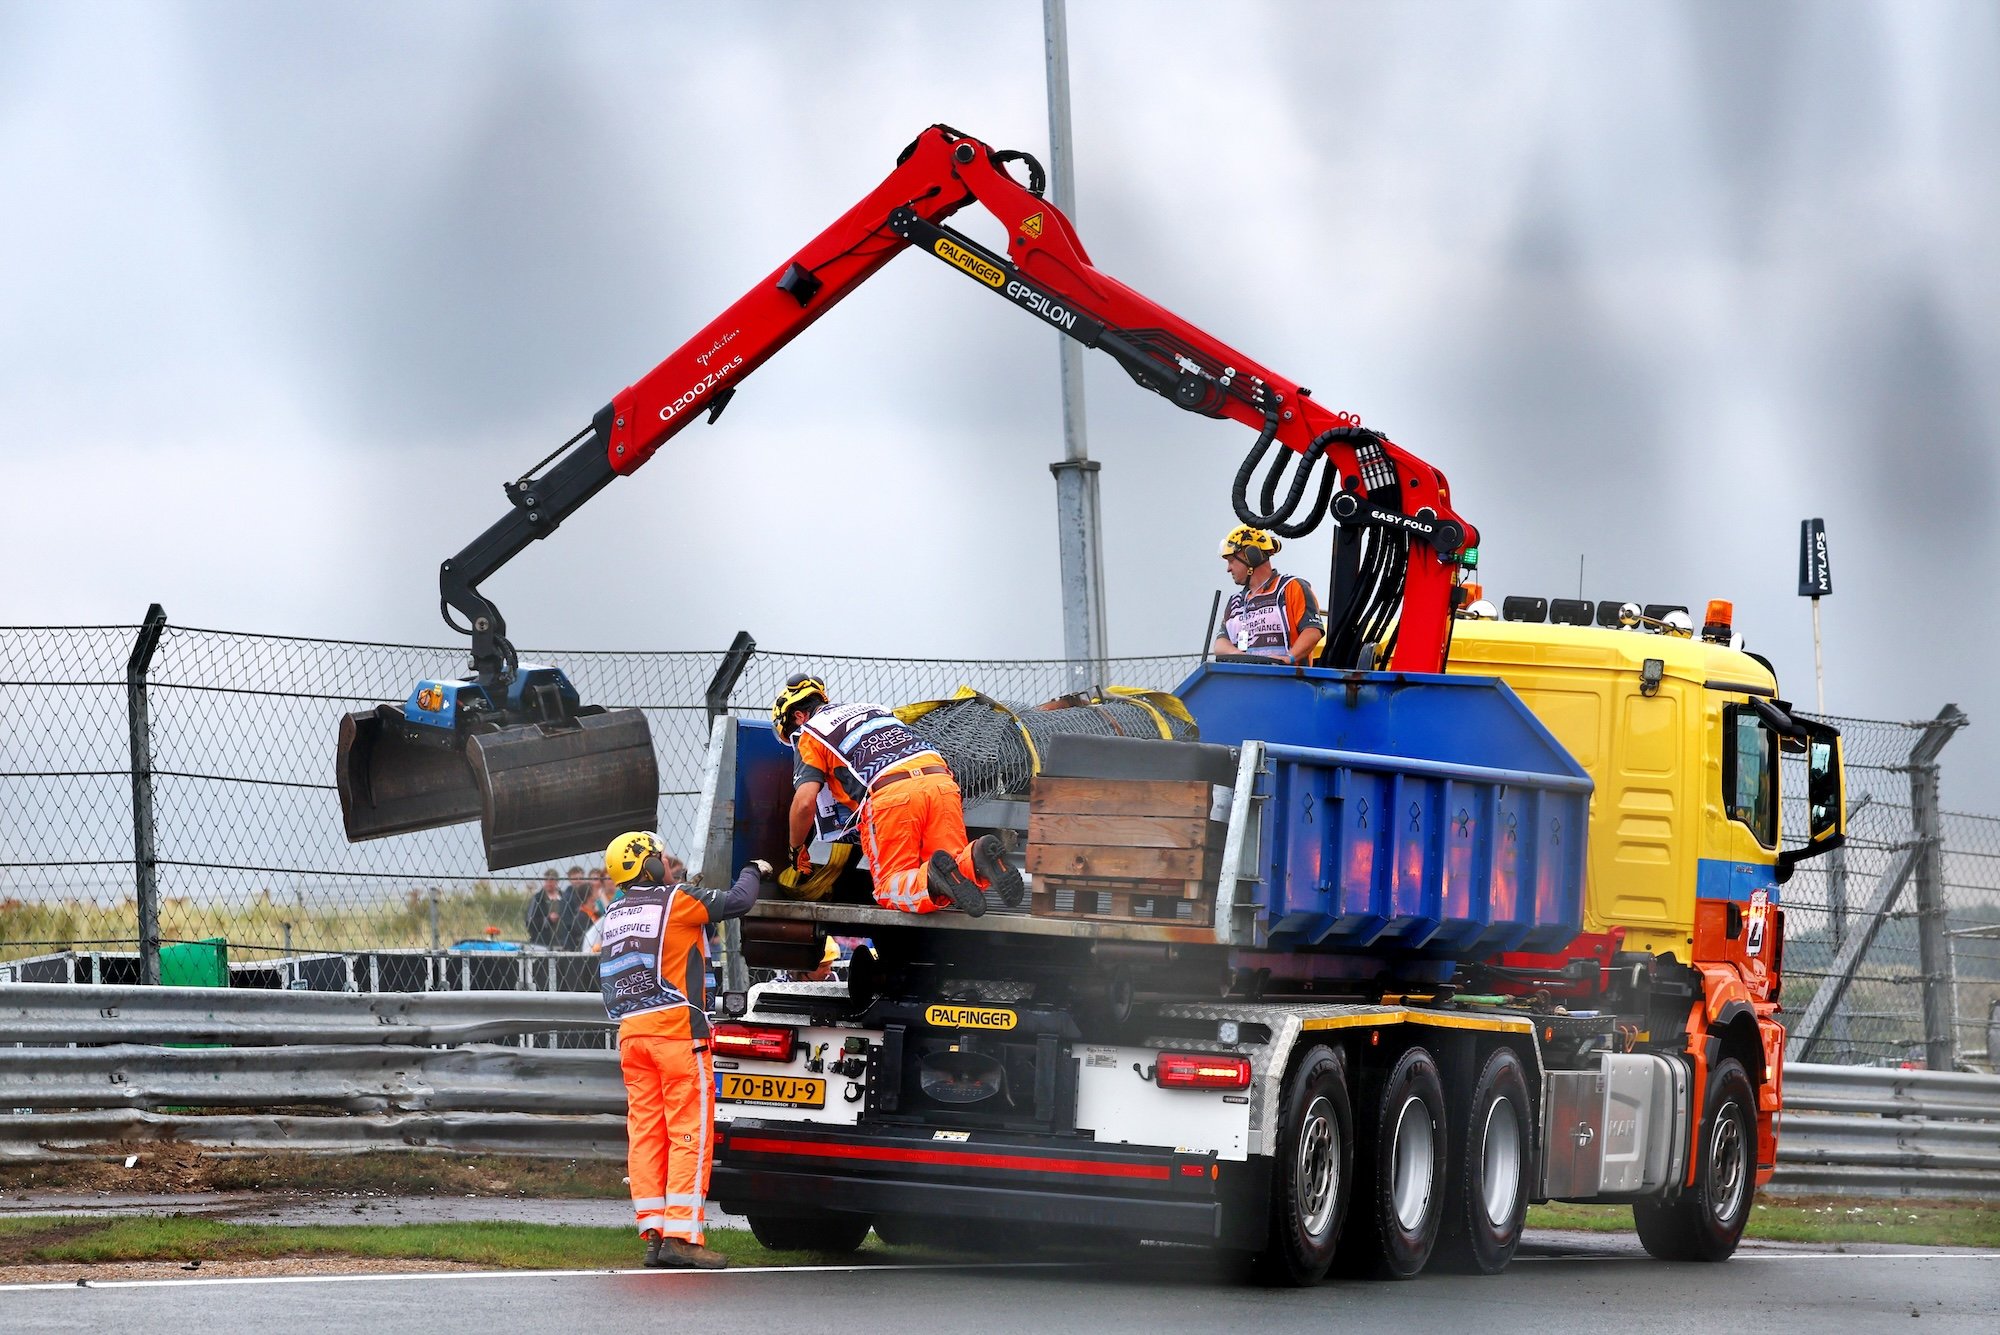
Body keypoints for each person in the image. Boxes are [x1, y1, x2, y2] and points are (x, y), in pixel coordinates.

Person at [598, 829, 766, 1270]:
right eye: (662, 859)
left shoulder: (615, 912)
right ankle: (684, 1237)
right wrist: (755, 869)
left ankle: (653, 1233)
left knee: (647, 1135)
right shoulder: (676, 901)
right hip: (677, 1034)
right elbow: (738, 902)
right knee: (690, 1134)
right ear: (649, 864)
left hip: (632, 1036)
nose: (668, 864)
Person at [772, 674, 1022, 916]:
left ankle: (931, 880)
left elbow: (805, 803)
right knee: (954, 870)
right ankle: (978, 857)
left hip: (891, 794)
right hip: (939, 781)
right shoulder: (873, 709)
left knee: (890, 887)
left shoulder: (810, 733)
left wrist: (796, 848)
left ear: (798, 716)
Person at [1211, 524, 1325, 665]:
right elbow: (1220, 643)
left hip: (1288, 682)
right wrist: (1239, 655)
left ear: (1250, 556)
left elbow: (1313, 631)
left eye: (1231, 561)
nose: (1228, 569)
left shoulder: (1291, 587)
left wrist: (1289, 657)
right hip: (1245, 683)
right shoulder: (1235, 601)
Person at [523, 867, 565, 946]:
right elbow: (529, 922)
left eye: (552, 879)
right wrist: (547, 920)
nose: (549, 882)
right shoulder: (537, 899)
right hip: (542, 943)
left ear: (557, 881)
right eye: (546, 880)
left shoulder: (564, 898)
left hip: (563, 943)